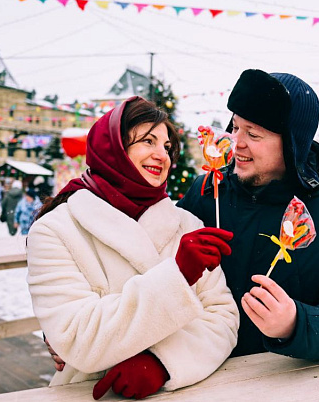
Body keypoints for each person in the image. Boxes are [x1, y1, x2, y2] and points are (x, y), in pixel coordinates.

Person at [27, 97, 239, 400]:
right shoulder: (55, 229)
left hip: (185, 389)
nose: (161, 155)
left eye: (166, 147)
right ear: (111, 146)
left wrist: (163, 362)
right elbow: (74, 337)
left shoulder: (187, 224)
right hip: (90, 391)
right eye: (148, 141)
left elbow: (223, 317)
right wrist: (177, 276)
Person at [177, 69, 319, 360]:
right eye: (235, 128)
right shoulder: (207, 192)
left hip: (278, 383)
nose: (237, 143)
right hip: (195, 373)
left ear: (292, 145)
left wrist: (296, 323)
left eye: (253, 134)